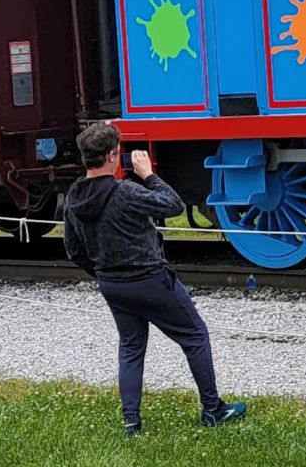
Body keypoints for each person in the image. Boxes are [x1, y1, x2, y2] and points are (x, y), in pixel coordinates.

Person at [63, 122, 246, 436]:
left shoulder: (73, 197)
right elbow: (173, 205)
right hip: (150, 280)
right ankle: (213, 409)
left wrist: (104, 273)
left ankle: (131, 423)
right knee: (195, 336)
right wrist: (148, 174)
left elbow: (73, 250)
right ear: (111, 156)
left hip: (112, 285)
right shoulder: (125, 192)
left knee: (131, 348)